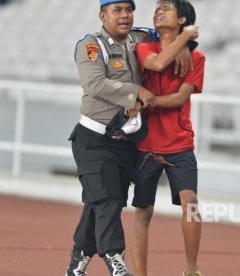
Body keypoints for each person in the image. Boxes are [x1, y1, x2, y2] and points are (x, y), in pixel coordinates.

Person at [65, 0, 198, 275]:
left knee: (97, 200)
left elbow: (168, 35)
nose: (124, 16)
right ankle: (116, 260)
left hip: (126, 141)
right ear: (103, 15)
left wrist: (185, 44)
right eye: (117, 11)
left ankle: (77, 262)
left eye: (128, 10)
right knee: (108, 200)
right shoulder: (91, 46)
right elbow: (95, 84)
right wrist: (135, 91)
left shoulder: (141, 36)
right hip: (94, 137)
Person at [130, 1, 205, 276]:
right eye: (157, 9)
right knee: (142, 211)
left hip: (179, 143)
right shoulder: (144, 47)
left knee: (191, 201)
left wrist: (144, 102)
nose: (158, 12)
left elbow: (180, 98)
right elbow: (158, 62)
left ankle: (192, 267)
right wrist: (185, 39)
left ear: (182, 18)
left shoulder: (197, 58)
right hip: (146, 143)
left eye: (167, 8)